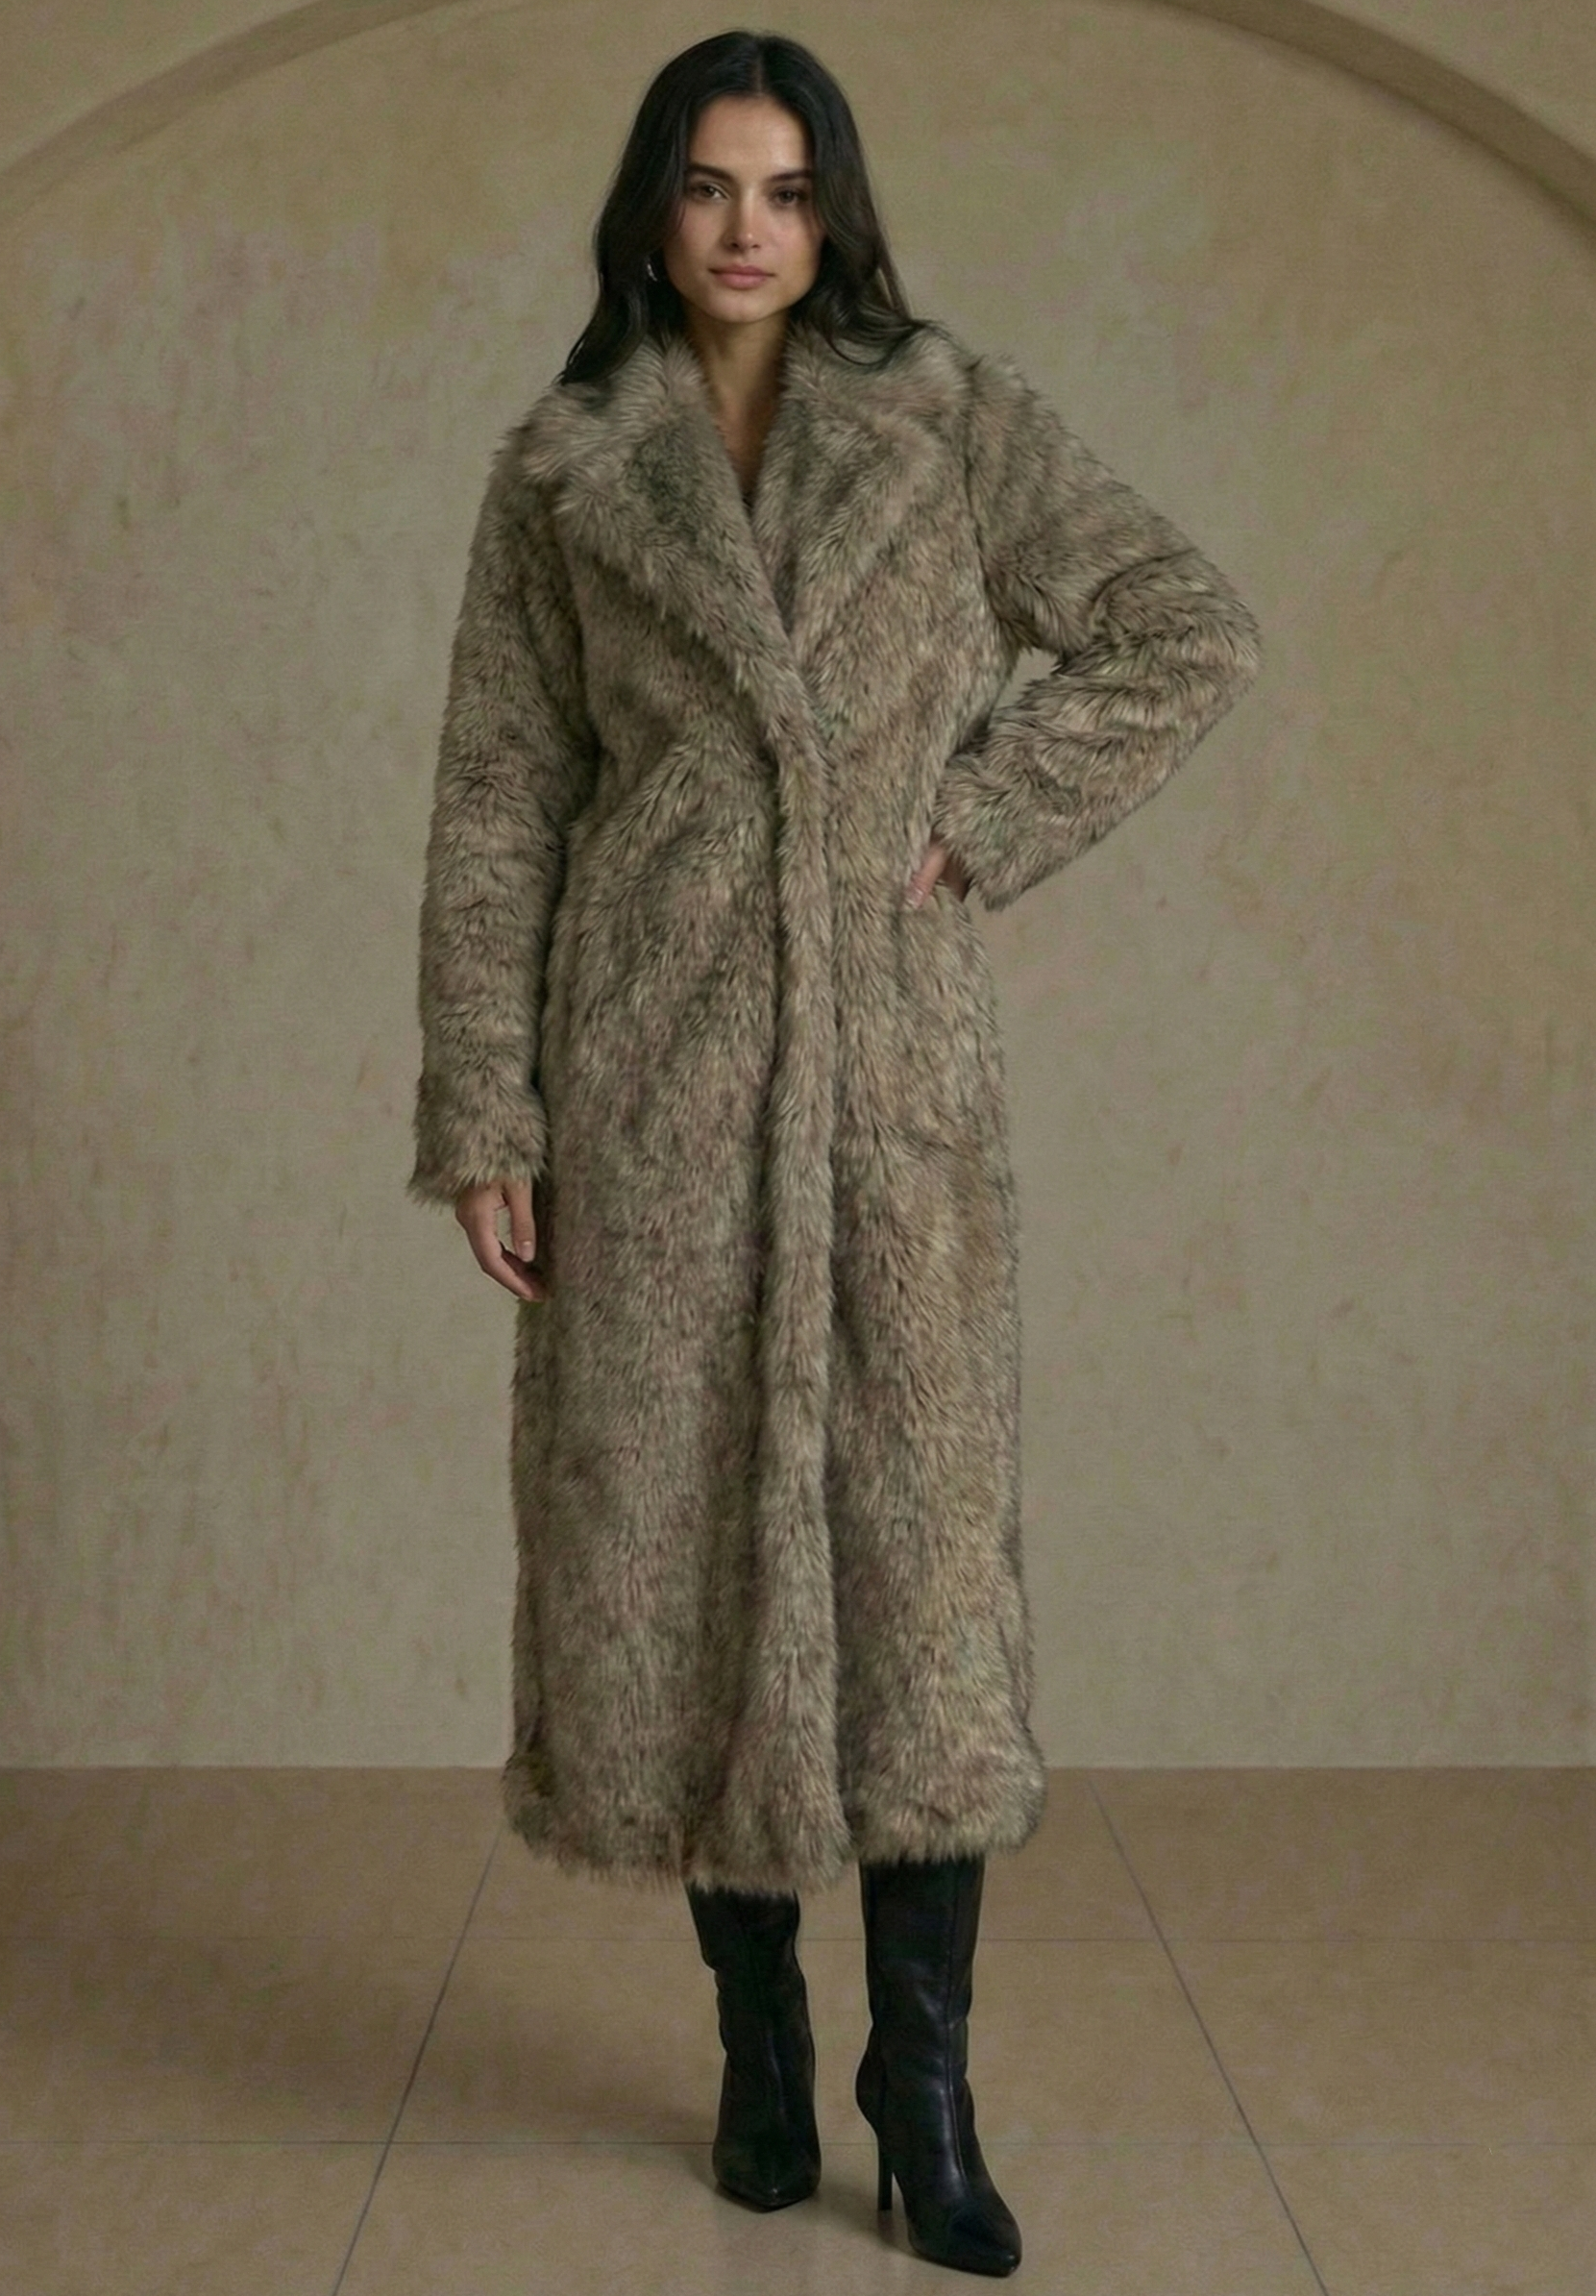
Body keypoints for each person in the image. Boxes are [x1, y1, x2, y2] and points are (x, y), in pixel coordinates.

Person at [409, 28, 1262, 2278]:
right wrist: (487, 1105)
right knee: (680, 1565)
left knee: (912, 1598)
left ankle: (928, 2085)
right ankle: (761, 2049)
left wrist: (977, 813)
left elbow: (1178, 626)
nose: (744, 227)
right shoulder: (565, 474)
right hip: (654, 1076)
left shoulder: (947, 421)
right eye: (707, 185)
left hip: (887, 1088)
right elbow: (499, 797)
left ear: (834, 212)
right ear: (651, 206)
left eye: (784, 189)